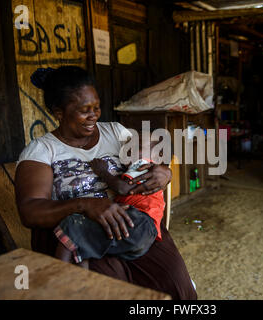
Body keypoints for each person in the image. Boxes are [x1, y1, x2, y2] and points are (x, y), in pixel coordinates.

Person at [15, 66, 197, 300]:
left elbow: (149, 159)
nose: (94, 116)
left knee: (178, 289)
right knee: (113, 286)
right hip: (85, 231)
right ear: (58, 112)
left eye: (96, 107)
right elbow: (29, 210)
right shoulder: (42, 151)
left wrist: (165, 173)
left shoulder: (115, 132)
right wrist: (84, 205)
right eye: (84, 110)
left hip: (133, 224)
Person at [54, 138, 165, 270]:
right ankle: (81, 282)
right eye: (130, 146)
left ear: (157, 157)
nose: (131, 150)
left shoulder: (144, 167)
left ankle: (57, 279)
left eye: (139, 147)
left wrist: (102, 172)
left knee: (71, 225)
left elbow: (123, 189)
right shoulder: (149, 172)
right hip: (143, 236)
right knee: (84, 244)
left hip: (137, 224)